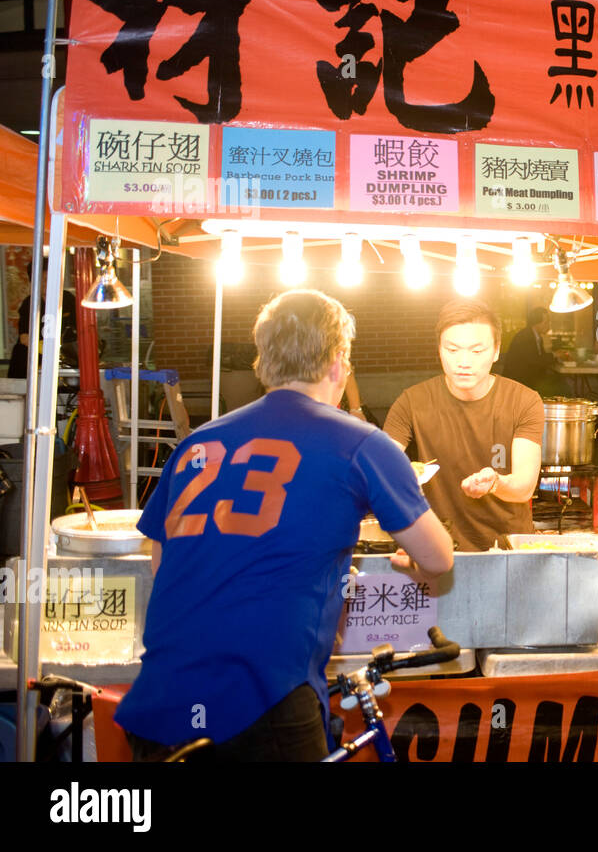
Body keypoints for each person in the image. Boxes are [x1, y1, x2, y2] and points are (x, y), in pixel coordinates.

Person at [115, 289, 454, 761]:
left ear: (264, 359)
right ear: (339, 361)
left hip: (164, 695)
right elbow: (438, 557)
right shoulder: (362, 443)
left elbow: (162, 558)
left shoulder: (198, 442)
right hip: (262, 698)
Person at [385, 298, 544, 551]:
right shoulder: (412, 402)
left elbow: (524, 487)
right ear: (439, 349)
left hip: (507, 548)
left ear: (496, 351)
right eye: (453, 349)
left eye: (477, 351)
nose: (464, 362)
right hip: (437, 547)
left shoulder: (523, 401)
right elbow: (383, 464)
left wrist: (495, 483)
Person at [503, 306, 554, 393]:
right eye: (546, 322)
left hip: (528, 380)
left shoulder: (536, 336)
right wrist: (555, 355)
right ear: (537, 323)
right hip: (518, 382)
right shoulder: (525, 337)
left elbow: (539, 358)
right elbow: (535, 360)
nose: (549, 325)